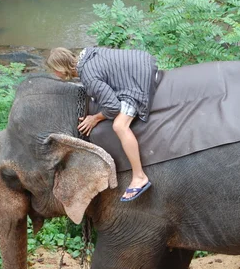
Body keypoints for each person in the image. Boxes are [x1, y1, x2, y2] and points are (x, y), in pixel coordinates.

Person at [46, 46, 157, 202]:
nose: (55, 74)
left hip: (138, 79)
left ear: (61, 68)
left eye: (54, 71)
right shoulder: (87, 54)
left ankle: (139, 176)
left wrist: (95, 118)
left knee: (120, 126)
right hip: (142, 60)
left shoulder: (89, 77)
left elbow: (113, 107)